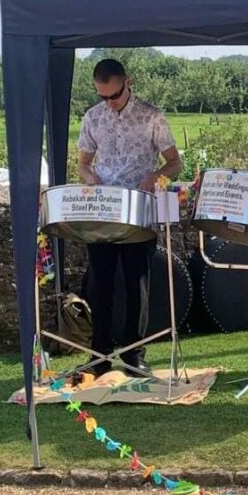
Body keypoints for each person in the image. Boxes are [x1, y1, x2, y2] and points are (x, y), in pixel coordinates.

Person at [77, 58, 181, 377]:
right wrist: (89, 178)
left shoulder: (152, 116)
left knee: (137, 284)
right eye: (102, 96)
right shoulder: (93, 118)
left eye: (114, 95)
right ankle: (100, 354)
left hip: (139, 208)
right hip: (105, 211)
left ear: (128, 82)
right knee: (100, 283)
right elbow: (83, 164)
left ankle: (134, 354)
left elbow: (175, 163)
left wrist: (155, 176)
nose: (109, 103)